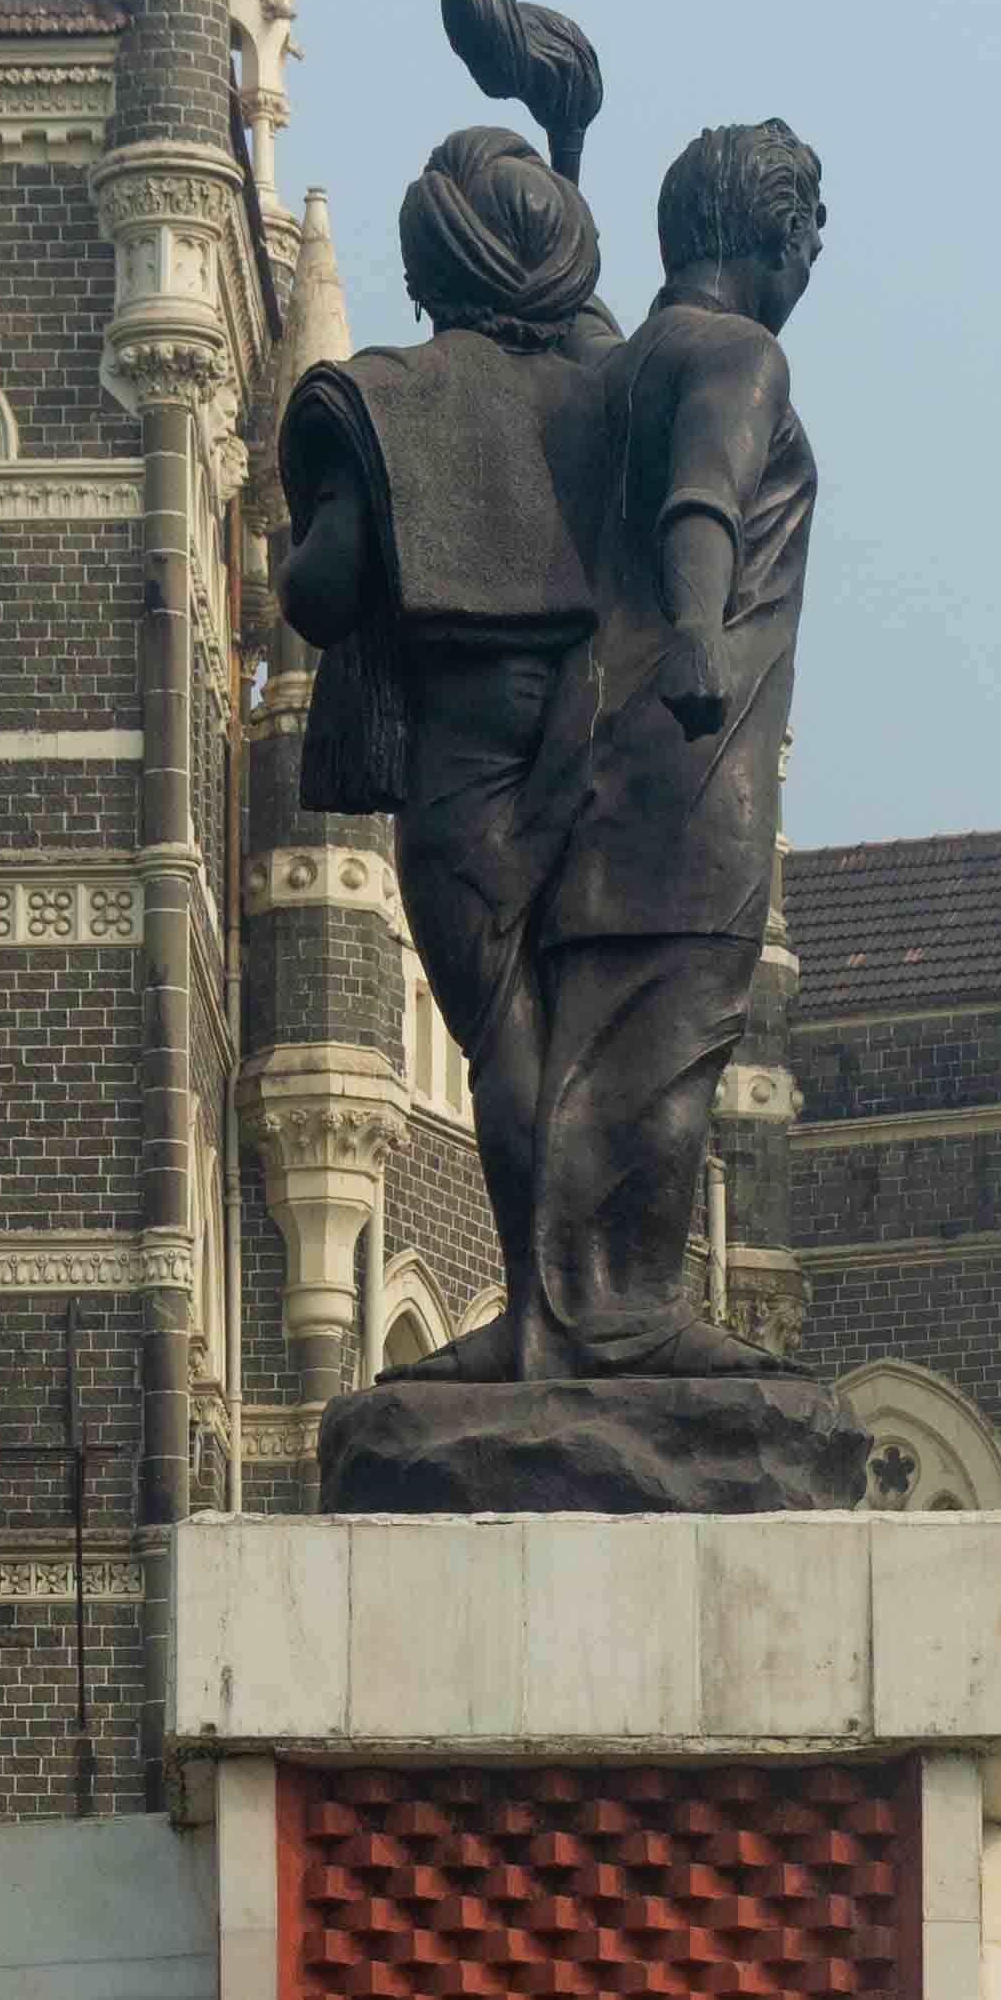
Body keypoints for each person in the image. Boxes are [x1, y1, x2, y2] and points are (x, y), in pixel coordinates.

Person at [276, 124, 624, 1362]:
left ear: (427, 264)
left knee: (504, 1024)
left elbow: (321, 592)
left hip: (462, 746)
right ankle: (607, 1299)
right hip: (601, 724)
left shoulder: (384, 397)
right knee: (589, 1019)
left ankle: (543, 1308)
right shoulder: (605, 394)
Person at [527, 116, 829, 1369]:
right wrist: (701, 630)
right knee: (678, 1034)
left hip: (582, 760)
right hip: (701, 756)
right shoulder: (741, 355)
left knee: (591, 1042)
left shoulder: (609, 371)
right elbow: (703, 493)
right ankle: (630, 1312)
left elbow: (578, 326)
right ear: (772, 231)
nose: (814, 257)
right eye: (808, 231)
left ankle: (566, 1307)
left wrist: (562, 159)